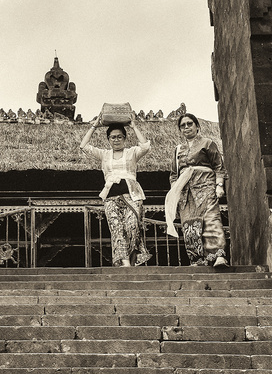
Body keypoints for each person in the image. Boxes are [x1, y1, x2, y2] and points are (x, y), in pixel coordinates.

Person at [79, 115, 152, 267]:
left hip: (131, 195)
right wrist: (94, 126)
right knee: (116, 229)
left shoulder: (132, 152)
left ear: (125, 138)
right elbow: (84, 146)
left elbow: (145, 147)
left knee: (132, 226)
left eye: (119, 137)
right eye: (113, 137)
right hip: (111, 197)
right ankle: (124, 262)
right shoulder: (104, 155)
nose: (116, 140)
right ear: (108, 139)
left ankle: (131, 259)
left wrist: (133, 126)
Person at [167, 113, 227, 267]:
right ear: (180, 130)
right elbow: (174, 174)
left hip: (205, 186)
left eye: (189, 124)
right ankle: (197, 259)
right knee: (189, 224)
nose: (186, 127)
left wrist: (219, 185)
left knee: (211, 218)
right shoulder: (177, 150)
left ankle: (218, 255)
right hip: (185, 192)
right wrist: (175, 192)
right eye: (183, 125)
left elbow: (219, 167)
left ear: (197, 126)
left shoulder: (208, 143)